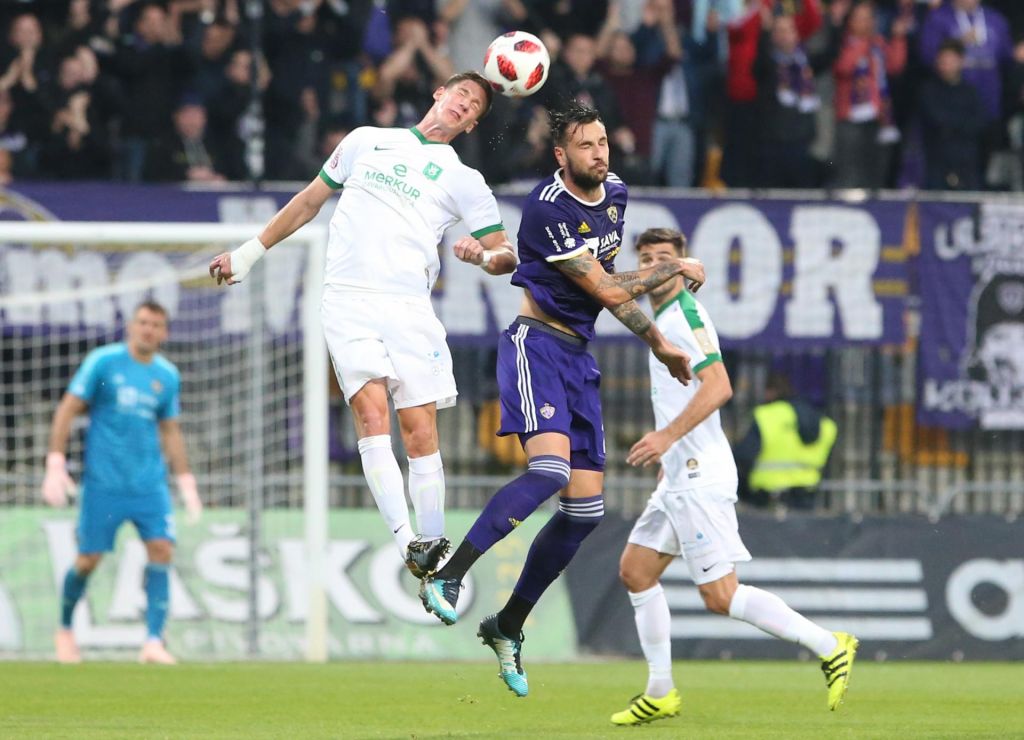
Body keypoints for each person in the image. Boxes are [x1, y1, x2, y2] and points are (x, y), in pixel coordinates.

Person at [419, 103, 707, 698]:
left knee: (585, 513)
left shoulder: (617, 194)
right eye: (586, 146)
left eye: (604, 143)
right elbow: (603, 286)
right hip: (536, 347)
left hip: (579, 357)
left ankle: (507, 626)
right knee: (549, 471)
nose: (600, 154)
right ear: (561, 155)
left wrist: (657, 343)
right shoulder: (549, 207)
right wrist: (672, 268)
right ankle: (448, 577)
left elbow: (607, 289)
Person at [208, 72, 517, 581]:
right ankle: (408, 544)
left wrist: (484, 256)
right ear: (438, 92)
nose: (465, 105)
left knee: (420, 431)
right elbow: (309, 201)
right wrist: (250, 252)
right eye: (461, 93)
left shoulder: (464, 179)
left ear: (473, 125)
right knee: (370, 416)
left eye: (476, 106)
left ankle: (435, 545)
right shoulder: (365, 140)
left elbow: (507, 253)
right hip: (348, 299)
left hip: (409, 305)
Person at [609, 229, 857, 725]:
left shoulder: (686, 315)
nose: (653, 267)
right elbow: (609, 286)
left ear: (682, 266)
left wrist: (667, 437)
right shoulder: (659, 316)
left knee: (720, 596)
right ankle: (661, 690)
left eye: (664, 259)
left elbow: (719, 386)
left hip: (700, 475)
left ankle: (830, 644)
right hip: (677, 478)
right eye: (646, 259)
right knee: (635, 570)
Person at [42, 301, 202, 665]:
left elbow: (170, 430)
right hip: (104, 483)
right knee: (88, 560)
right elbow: (68, 408)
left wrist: (186, 481)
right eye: (143, 322)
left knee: (162, 549)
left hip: (149, 484)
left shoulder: (167, 375)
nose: (148, 330)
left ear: (165, 333)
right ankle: (65, 629)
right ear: (131, 326)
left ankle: (153, 641)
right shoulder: (104, 362)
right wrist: (55, 462)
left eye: (156, 325)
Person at [734, 370, 837, 510]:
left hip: (767, 500)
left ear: (770, 391)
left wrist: (744, 492)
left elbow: (743, 457)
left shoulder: (766, 416)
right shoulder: (826, 425)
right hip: (808, 500)